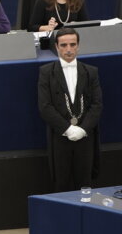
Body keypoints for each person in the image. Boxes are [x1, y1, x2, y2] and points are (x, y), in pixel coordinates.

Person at [38, 28, 103, 192]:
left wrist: (82, 129)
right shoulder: (46, 72)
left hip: (85, 136)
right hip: (60, 137)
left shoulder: (91, 72)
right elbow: (45, 107)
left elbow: (97, 105)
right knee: (61, 183)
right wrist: (67, 129)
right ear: (57, 46)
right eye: (64, 45)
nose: (68, 49)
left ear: (78, 46)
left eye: (72, 45)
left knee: (85, 183)